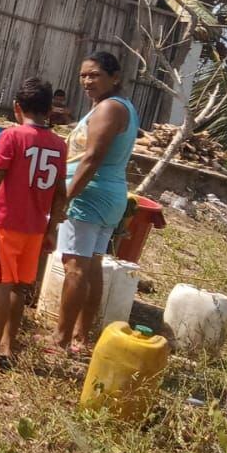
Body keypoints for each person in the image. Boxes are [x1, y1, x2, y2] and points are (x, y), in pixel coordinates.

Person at [0, 77, 68, 369]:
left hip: (7, 222)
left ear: (17, 107)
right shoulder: (59, 145)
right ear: (49, 110)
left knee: (0, 285)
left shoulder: (12, 136)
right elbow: (61, 192)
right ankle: (9, 350)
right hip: (36, 226)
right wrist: (52, 229)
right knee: (20, 288)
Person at [52, 51, 139, 354]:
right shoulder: (118, 107)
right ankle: (80, 338)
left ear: (115, 78)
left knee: (75, 268)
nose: (87, 81)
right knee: (91, 268)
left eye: (95, 75)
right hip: (109, 196)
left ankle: (61, 339)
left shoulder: (109, 109)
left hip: (90, 196)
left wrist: (65, 197)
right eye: (83, 75)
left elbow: (91, 159)